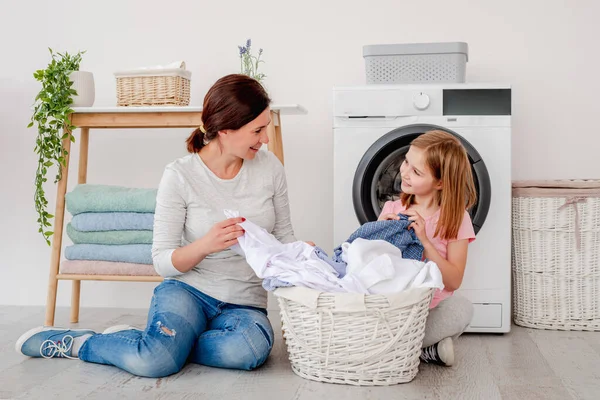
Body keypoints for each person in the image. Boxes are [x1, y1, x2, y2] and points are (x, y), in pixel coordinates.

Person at [16, 74, 301, 377]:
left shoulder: (270, 169)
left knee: (247, 350)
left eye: (266, 127)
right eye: (258, 130)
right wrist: (206, 245)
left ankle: (161, 342)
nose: (266, 138)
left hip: (245, 303)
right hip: (188, 291)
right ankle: (82, 343)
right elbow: (162, 262)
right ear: (225, 130)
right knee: (154, 363)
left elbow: (283, 236)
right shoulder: (180, 175)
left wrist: (299, 255)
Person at [377, 130, 477, 367]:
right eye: (406, 162)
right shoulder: (392, 208)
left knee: (462, 309)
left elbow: (453, 281)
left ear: (440, 182)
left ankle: (397, 348)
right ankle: (423, 350)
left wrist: (425, 241)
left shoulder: (456, 219)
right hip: (395, 308)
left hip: (429, 310)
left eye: (416, 171)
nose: (404, 172)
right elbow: (375, 268)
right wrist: (381, 232)